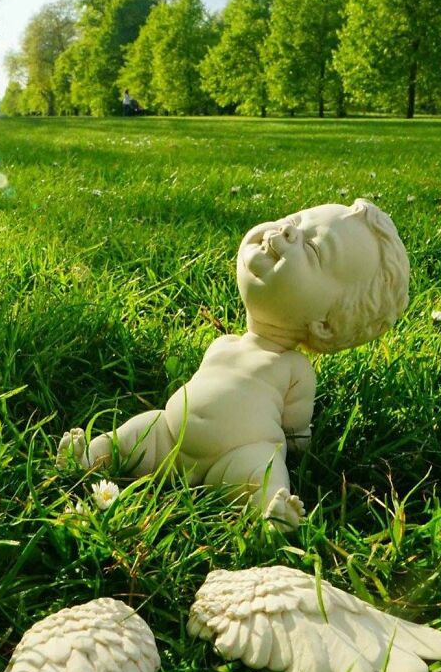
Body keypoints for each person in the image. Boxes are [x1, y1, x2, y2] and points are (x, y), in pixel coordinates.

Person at [57, 200, 409, 530]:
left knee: (262, 470)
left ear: (326, 325)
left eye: (314, 250)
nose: (287, 232)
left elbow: (295, 434)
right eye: (295, 221)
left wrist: (301, 445)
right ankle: (90, 458)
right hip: (171, 437)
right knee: (139, 431)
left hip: (238, 455)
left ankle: (270, 511)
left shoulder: (294, 369)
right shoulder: (223, 343)